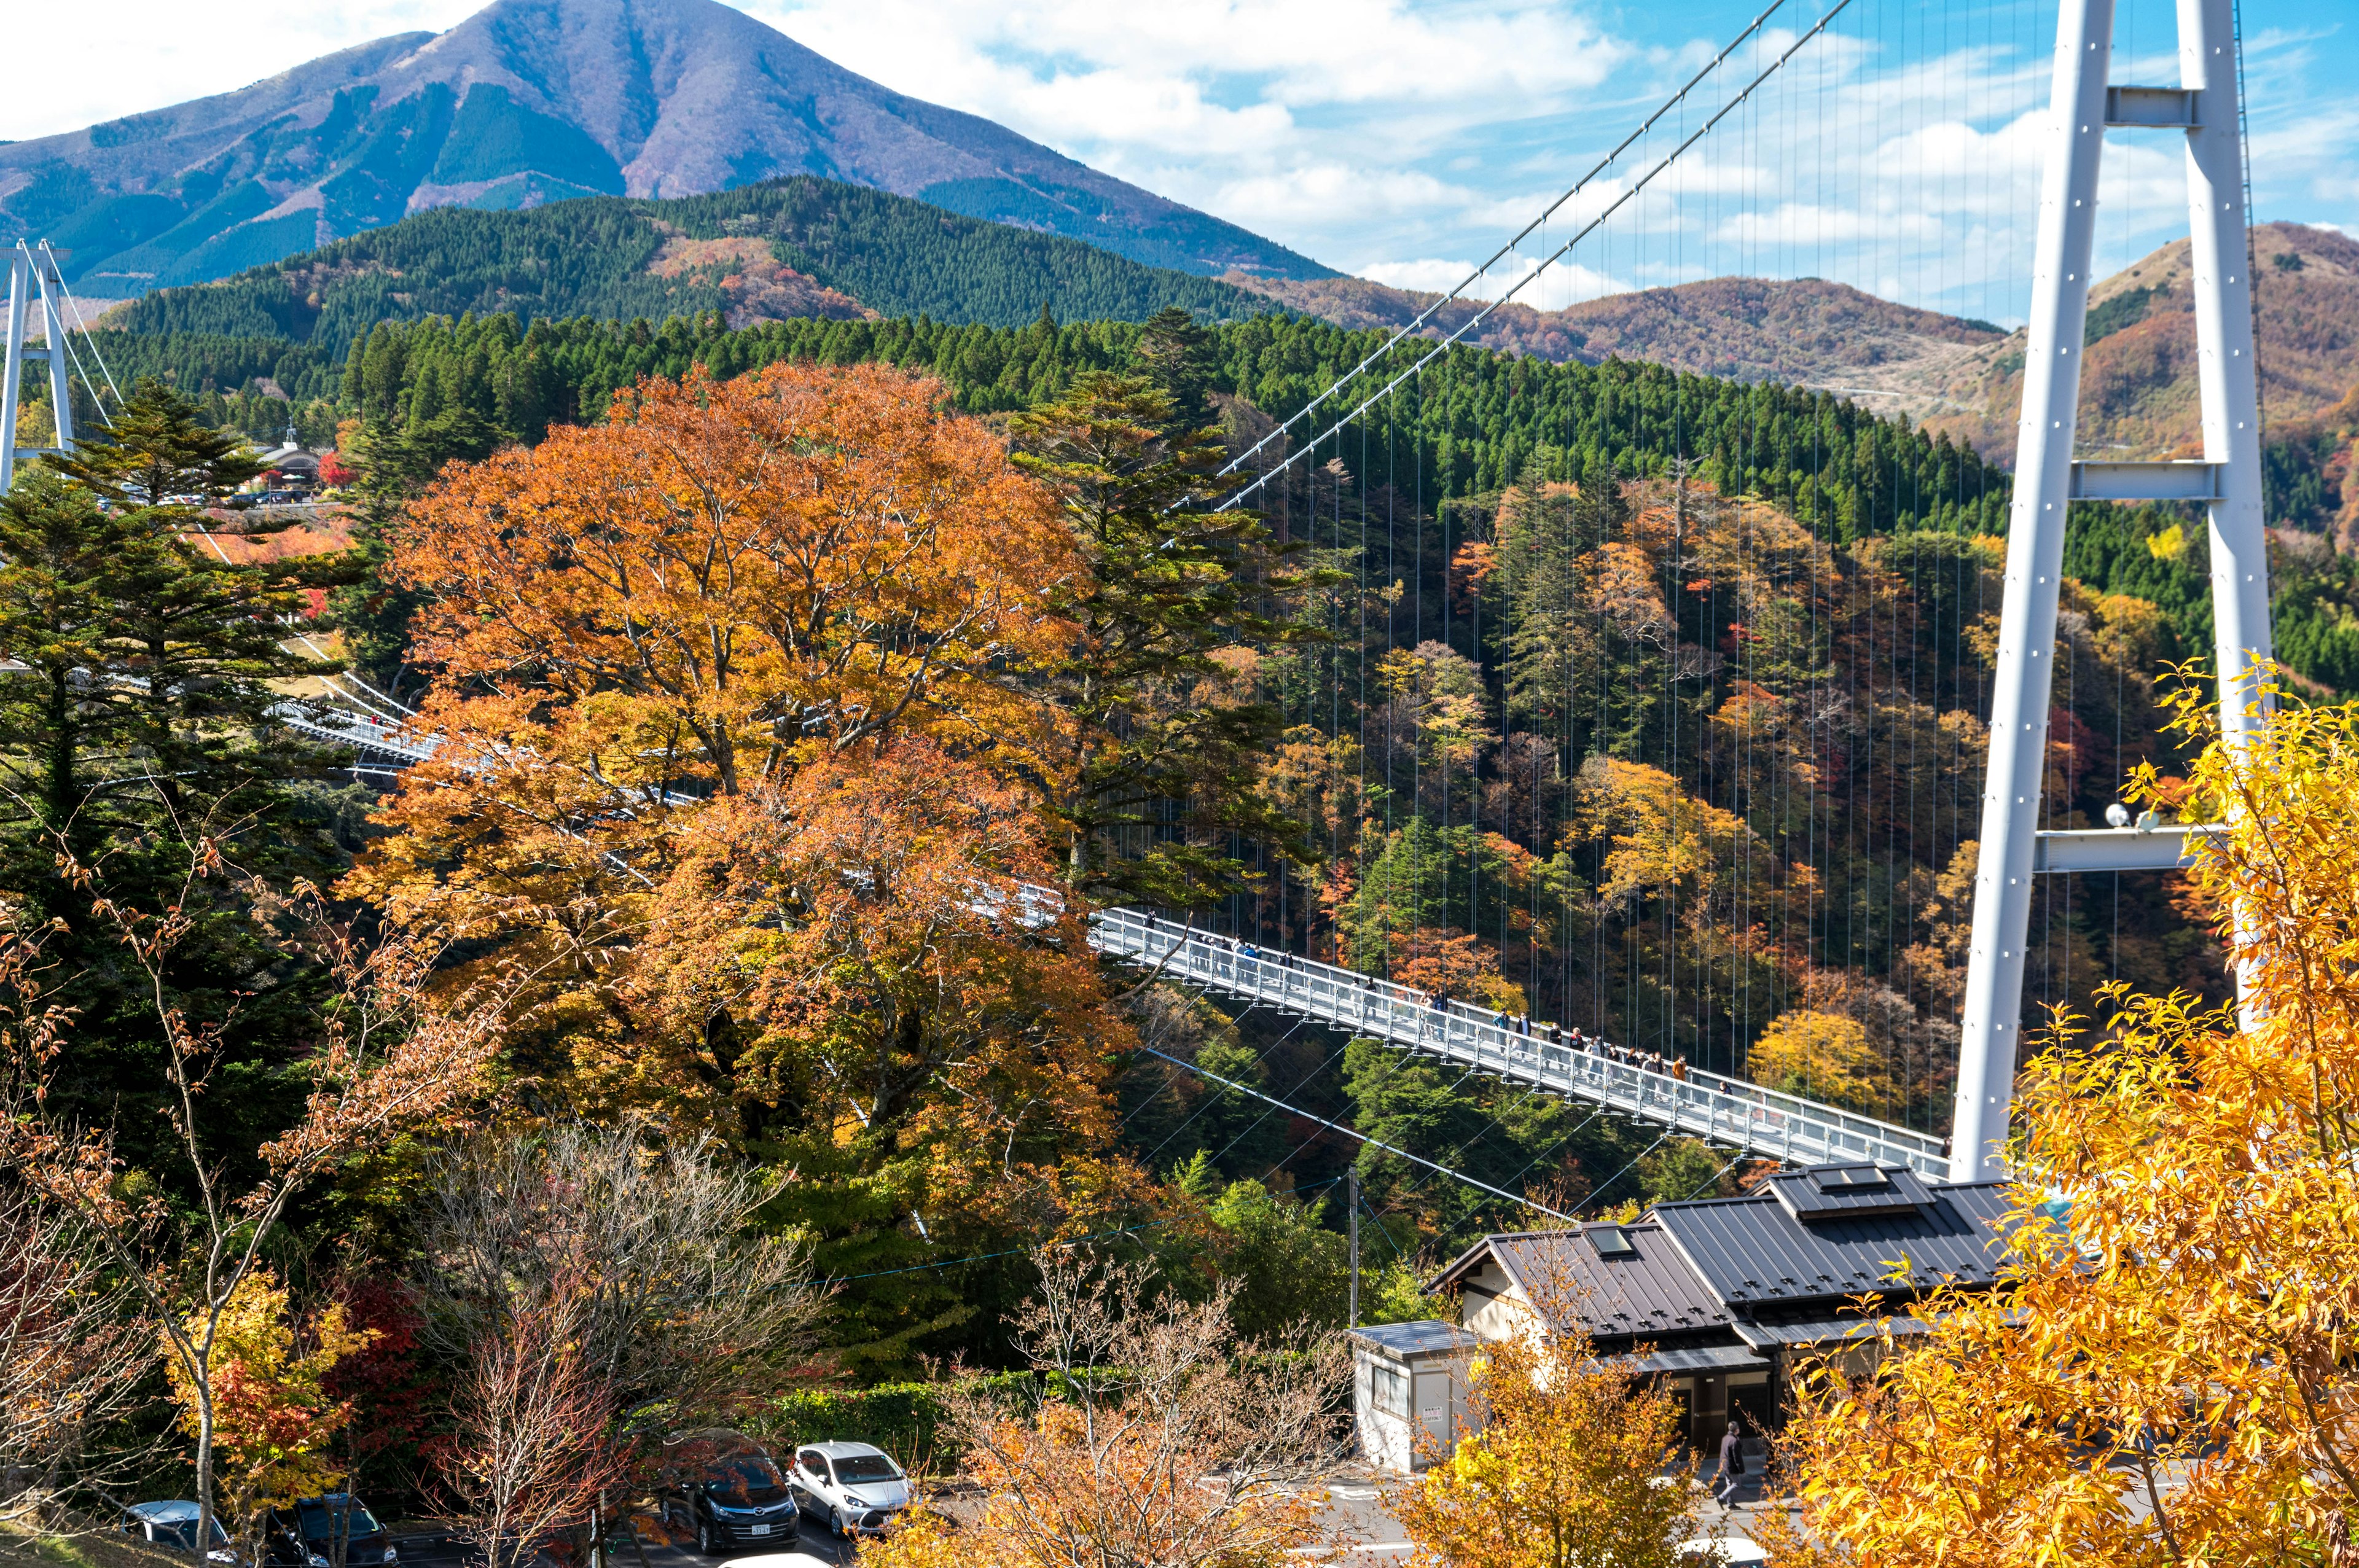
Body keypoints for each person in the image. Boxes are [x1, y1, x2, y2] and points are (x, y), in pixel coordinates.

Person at [1715, 1415, 1746, 1505]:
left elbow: (1723, 1452)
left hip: (1725, 1465)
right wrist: (1741, 1469)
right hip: (1732, 1466)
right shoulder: (1734, 1441)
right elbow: (1737, 1457)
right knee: (1737, 1484)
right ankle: (1721, 1497)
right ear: (1736, 1430)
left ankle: (1731, 1504)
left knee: (1730, 1484)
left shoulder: (1725, 1438)